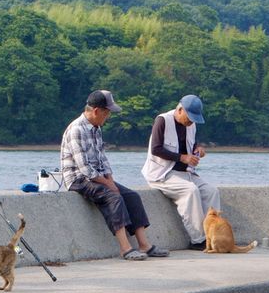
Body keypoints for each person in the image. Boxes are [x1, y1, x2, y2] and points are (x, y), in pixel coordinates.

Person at [61, 90, 169, 261]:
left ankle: (144, 245)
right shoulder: (77, 129)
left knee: (131, 196)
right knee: (113, 197)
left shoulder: (96, 128)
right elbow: (84, 168)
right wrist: (109, 185)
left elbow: (102, 159)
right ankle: (125, 248)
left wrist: (110, 180)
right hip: (78, 179)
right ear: (96, 111)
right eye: (107, 112)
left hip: (97, 178)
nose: (108, 116)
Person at [141, 95, 221, 250]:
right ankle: (198, 240)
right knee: (190, 191)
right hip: (162, 174)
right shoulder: (162, 120)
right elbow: (155, 149)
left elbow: (191, 144)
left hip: (186, 173)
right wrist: (182, 158)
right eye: (189, 117)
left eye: (194, 119)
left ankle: (215, 236)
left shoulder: (192, 125)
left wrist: (198, 150)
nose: (191, 122)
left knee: (212, 192)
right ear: (179, 110)